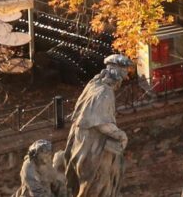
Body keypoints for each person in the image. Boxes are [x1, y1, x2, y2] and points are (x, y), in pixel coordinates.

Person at [56, 55, 133, 197]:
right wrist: (121, 135)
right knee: (95, 183)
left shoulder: (95, 84)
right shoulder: (105, 93)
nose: (125, 78)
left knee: (89, 181)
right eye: (124, 74)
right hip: (92, 145)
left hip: (81, 140)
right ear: (117, 75)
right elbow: (102, 124)